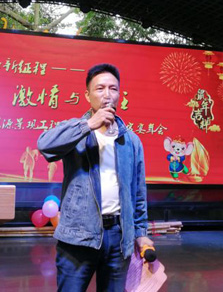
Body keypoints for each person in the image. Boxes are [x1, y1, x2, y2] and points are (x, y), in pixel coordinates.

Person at [37, 63, 153, 292]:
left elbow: (138, 193)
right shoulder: (75, 131)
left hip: (119, 237)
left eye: (113, 88)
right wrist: (89, 125)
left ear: (119, 95)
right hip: (78, 236)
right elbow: (45, 146)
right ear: (87, 95)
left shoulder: (131, 140)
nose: (107, 94)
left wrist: (141, 233)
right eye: (100, 88)